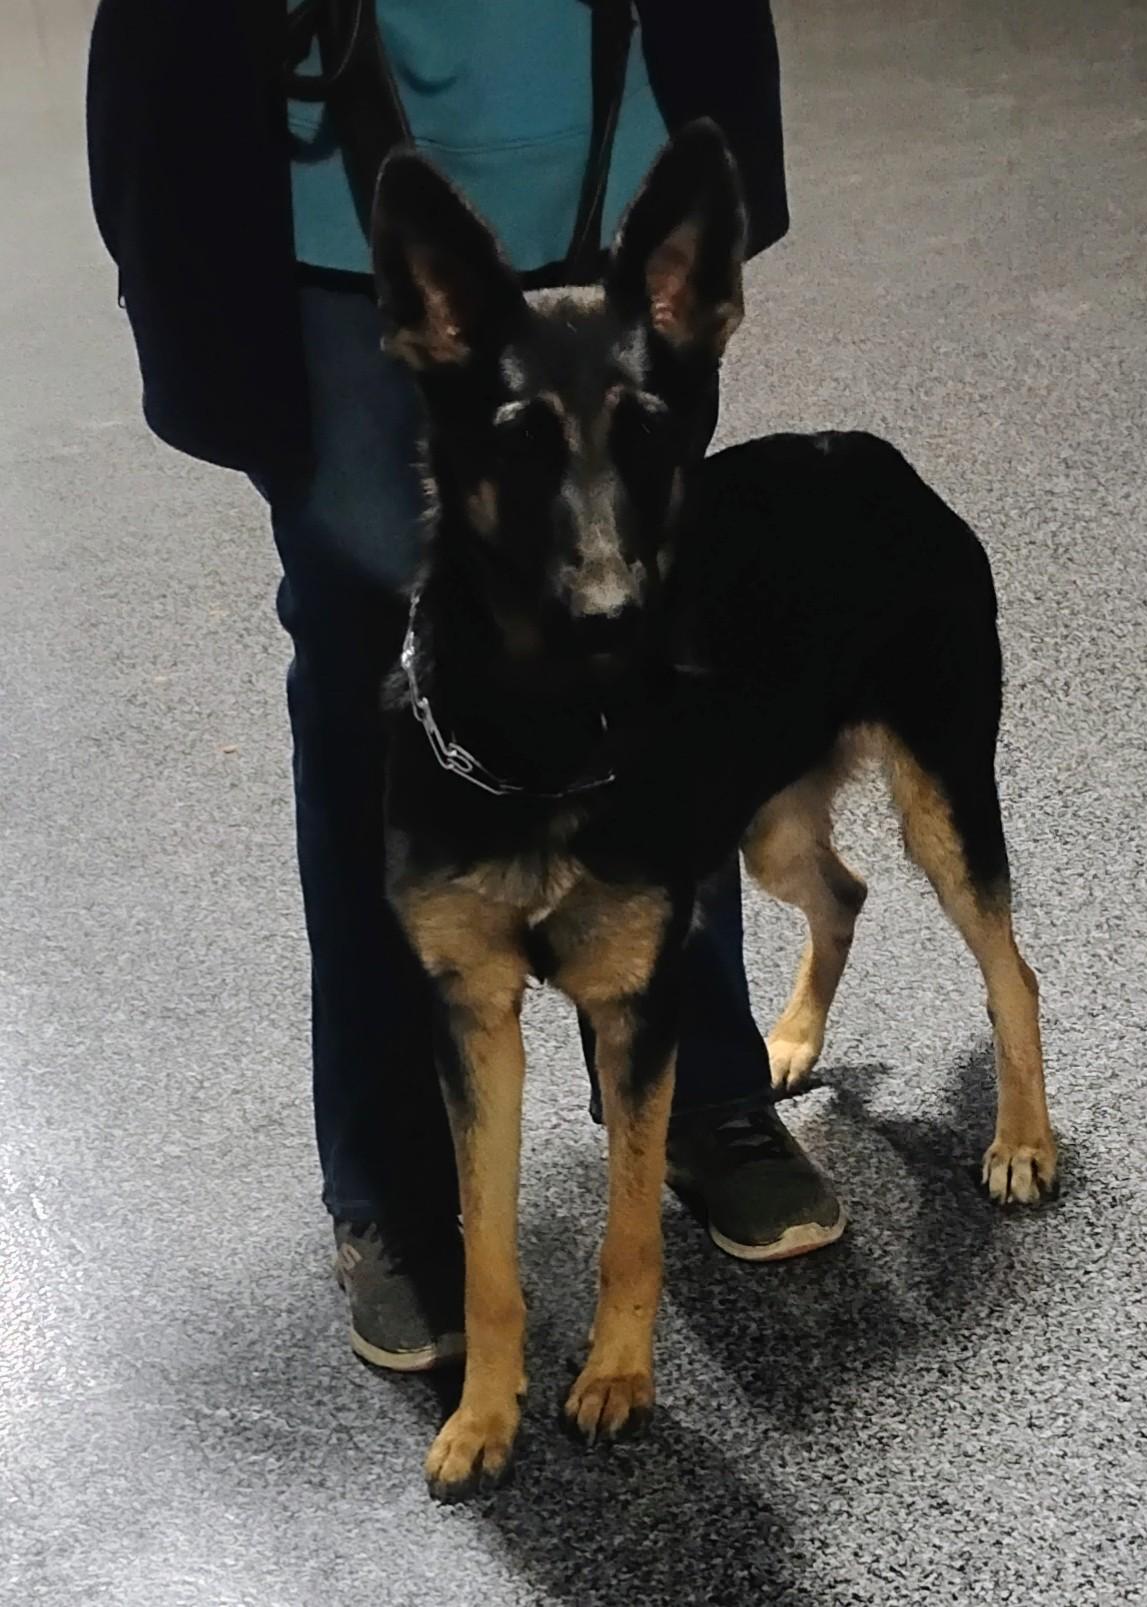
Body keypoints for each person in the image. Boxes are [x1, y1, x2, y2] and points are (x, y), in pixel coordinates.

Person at [86, 0, 844, 1373]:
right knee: (378, 698)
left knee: (649, 666)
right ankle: (390, 1182)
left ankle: (709, 1094)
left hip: (615, 175)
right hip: (337, 242)